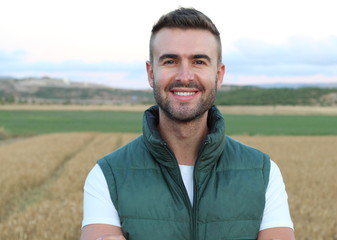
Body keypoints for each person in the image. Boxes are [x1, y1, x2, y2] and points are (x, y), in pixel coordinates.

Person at [80, 7, 295, 240]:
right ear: (151, 73)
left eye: (199, 61)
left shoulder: (263, 173)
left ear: (219, 75)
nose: (184, 76)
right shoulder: (107, 176)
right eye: (170, 61)